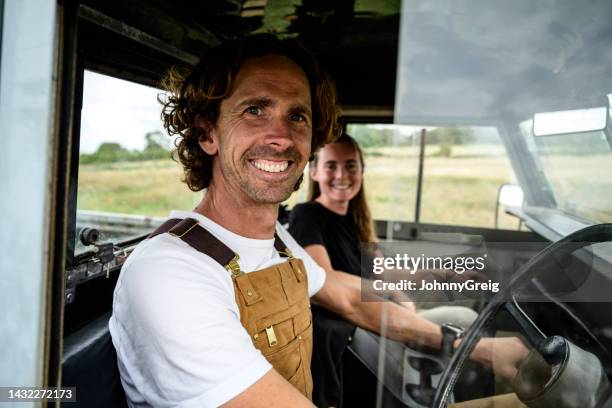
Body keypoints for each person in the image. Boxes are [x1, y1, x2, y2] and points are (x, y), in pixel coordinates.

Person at [109, 34, 527, 408]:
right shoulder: (169, 271)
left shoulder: (278, 243)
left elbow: (345, 296)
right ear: (207, 135)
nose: (281, 136)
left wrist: (474, 347)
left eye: (297, 116)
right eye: (255, 110)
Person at [289, 134, 478, 407]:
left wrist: (438, 272)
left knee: (465, 317)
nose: (341, 174)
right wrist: (388, 291)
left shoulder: (356, 220)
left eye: (351, 165)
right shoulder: (307, 214)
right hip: (357, 326)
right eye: (331, 165)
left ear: (362, 172)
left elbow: (382, 270)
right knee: (452, 330)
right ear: (315, 172)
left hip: (380, 312)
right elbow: (324, 275)